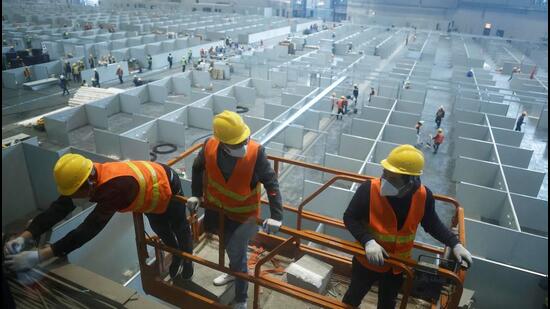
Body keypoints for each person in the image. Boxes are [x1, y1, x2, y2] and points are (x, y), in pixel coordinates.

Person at [4, 153, 194, 282]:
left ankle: (187, 260)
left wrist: (40, 255)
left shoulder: (115, 189)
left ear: (88, 183)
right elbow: (59, 208)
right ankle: (176, 255)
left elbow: (88, 229)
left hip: (166, 184)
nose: (72, 198)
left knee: (180, 227)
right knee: (161, 229)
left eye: (75, 193)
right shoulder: (87, 175)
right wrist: (26, 236)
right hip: (150, 196)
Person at [342, 144, 472, 308]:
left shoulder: (424, 196)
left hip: (396, 266)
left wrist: (455, 244)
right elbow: (350, 217)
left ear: (411, 181)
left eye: (392, 178)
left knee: (387, 304)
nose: (385, 181)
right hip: (367, 260)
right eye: (384, 174)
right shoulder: (368, 189)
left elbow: (432, 223)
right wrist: (367, 241)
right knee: (353, 296)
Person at [187, 111, 283, 309]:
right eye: (237, 143)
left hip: (245, 215)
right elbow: (197, 168)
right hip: (220, 212)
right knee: (229, 247)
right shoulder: (209, 147)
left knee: (237, 253)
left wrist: (276, 216)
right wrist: (196, 194)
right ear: (222, 142)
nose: (243, 146)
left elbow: (272, 184)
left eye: (244, 140)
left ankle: (241, 298)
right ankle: (233, 275)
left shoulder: (256, 153)